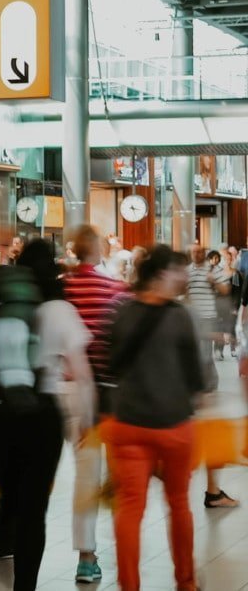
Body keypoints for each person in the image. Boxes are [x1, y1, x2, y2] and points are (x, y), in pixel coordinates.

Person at [0, 240, 93, 590]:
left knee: (9, 496)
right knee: (33, 509)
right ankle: (25, 586)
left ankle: (1, 535)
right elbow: (82, 370)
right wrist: (89, 418)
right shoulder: (58, 308)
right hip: (41, 414)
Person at [104, 245, 204, 591]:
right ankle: (186, 582)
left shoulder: (121, 312)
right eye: (179, 271)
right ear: (162, 275)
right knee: (179, 504)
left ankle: (129, 585)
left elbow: (111, 366)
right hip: (174, 426)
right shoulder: (179, 316)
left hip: (129, 425)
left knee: (130, 509)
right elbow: (195, 378)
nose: (184, 278)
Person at [62, 224, 128, 585]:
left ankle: (84, 555)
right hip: (98, 392)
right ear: (99, 250)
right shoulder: (112, 287)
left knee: (73, 474)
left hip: (59, 387)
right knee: (101, 474)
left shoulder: (61, 286)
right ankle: (98, 551)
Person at [185, 244, 239, 509]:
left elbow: (226, 290)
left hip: (205, 322)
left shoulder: (212, 271)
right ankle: (213, 489)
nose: (196, 256)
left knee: (205, 372)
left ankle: (213, 488)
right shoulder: (186, 273)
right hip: (195, 325)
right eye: (192, 252)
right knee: (204, 377)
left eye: (199, 252)